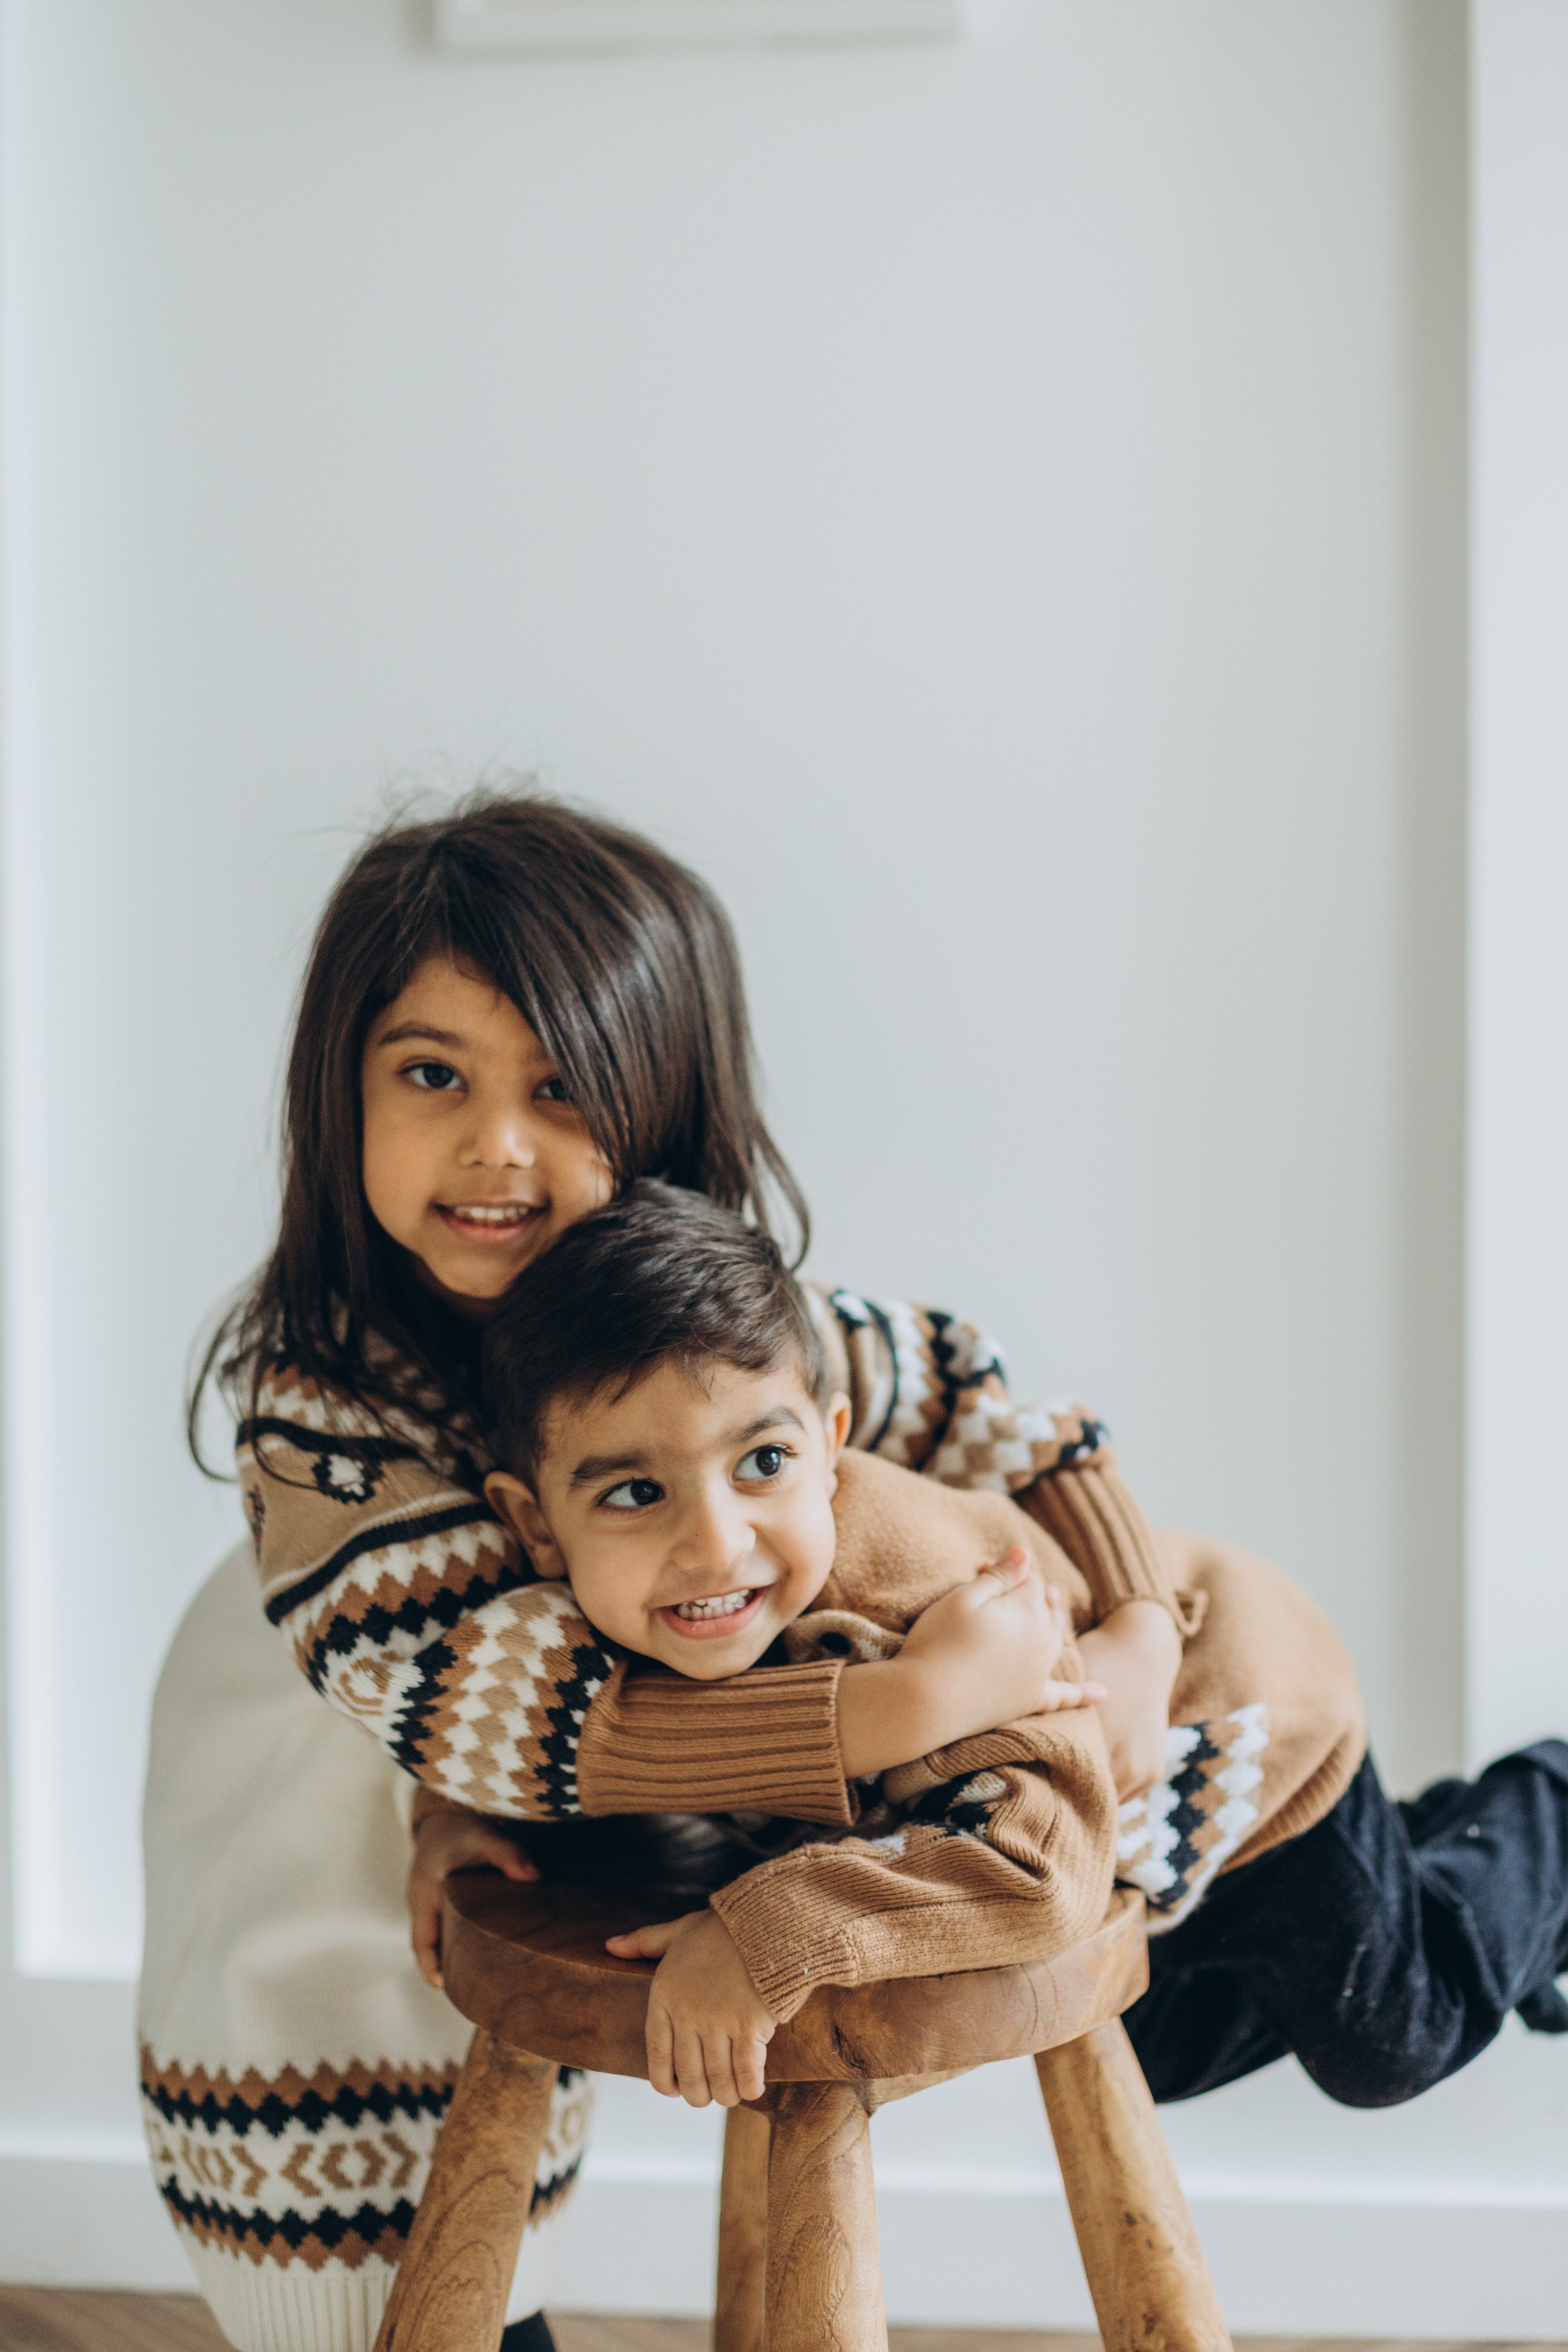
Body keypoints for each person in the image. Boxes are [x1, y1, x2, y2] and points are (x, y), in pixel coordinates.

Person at [140, 793, 1183, 2352]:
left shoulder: (703, 1332)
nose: (497, 1145)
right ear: (338, 1096)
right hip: (330, 1746)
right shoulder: (325, 1417)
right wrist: (896, 1706)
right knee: (332, 2073)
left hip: (574, 1773)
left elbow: (996, 1407)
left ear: (661, 1109)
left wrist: (1143, 1626)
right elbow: (519, 1712)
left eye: (564, 1091)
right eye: (433, 1075)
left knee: (1196, 1883)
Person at [429, 1178, 1568, 2122]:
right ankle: (1423, 1862)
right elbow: (571, 1752)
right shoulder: (570, 1638)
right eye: (635, 1493)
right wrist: (455, 1815)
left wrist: (767, 1927)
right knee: (1151, 2051)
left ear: (829, 1447)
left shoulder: (906, 1604)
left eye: (762, 1465)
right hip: (1106, 1821)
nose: (715, 1545)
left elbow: (1037, 1871)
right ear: (535, 1526)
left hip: (1237, 1726)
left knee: (1390, 2034)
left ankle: (1546, 1812)